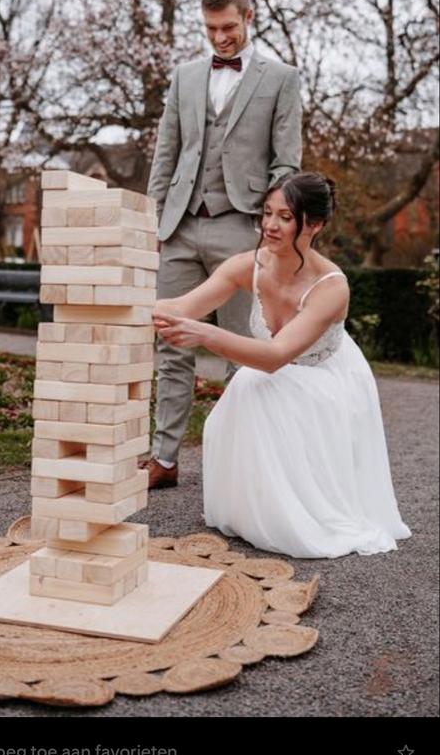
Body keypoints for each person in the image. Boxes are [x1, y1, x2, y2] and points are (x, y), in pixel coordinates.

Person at [153, 172, 411, 559]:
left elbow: (275, 357)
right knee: (247, 386)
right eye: (267, 213)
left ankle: (296, 510)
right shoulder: (247, 265)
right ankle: (254, 509)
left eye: (285, 217)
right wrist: (115, 304)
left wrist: (204, 336)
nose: (270, 225)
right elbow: (181, 307)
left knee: (258, 384)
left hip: (323, 378)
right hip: (277, 367)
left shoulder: (331, 286)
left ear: (316, 224)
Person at [144, 0, 302, 488]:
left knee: (239, 349)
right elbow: (166, 153)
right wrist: (154, 222)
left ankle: (236, 467)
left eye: (228, 27)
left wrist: (270, 230)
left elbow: (287, 164)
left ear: (248, 17)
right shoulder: (185, 76)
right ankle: (163, 460)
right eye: (211, 29)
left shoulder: (281, 78)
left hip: (242, 229)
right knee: (171, 343)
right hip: (181, 227)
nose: (220, 38)